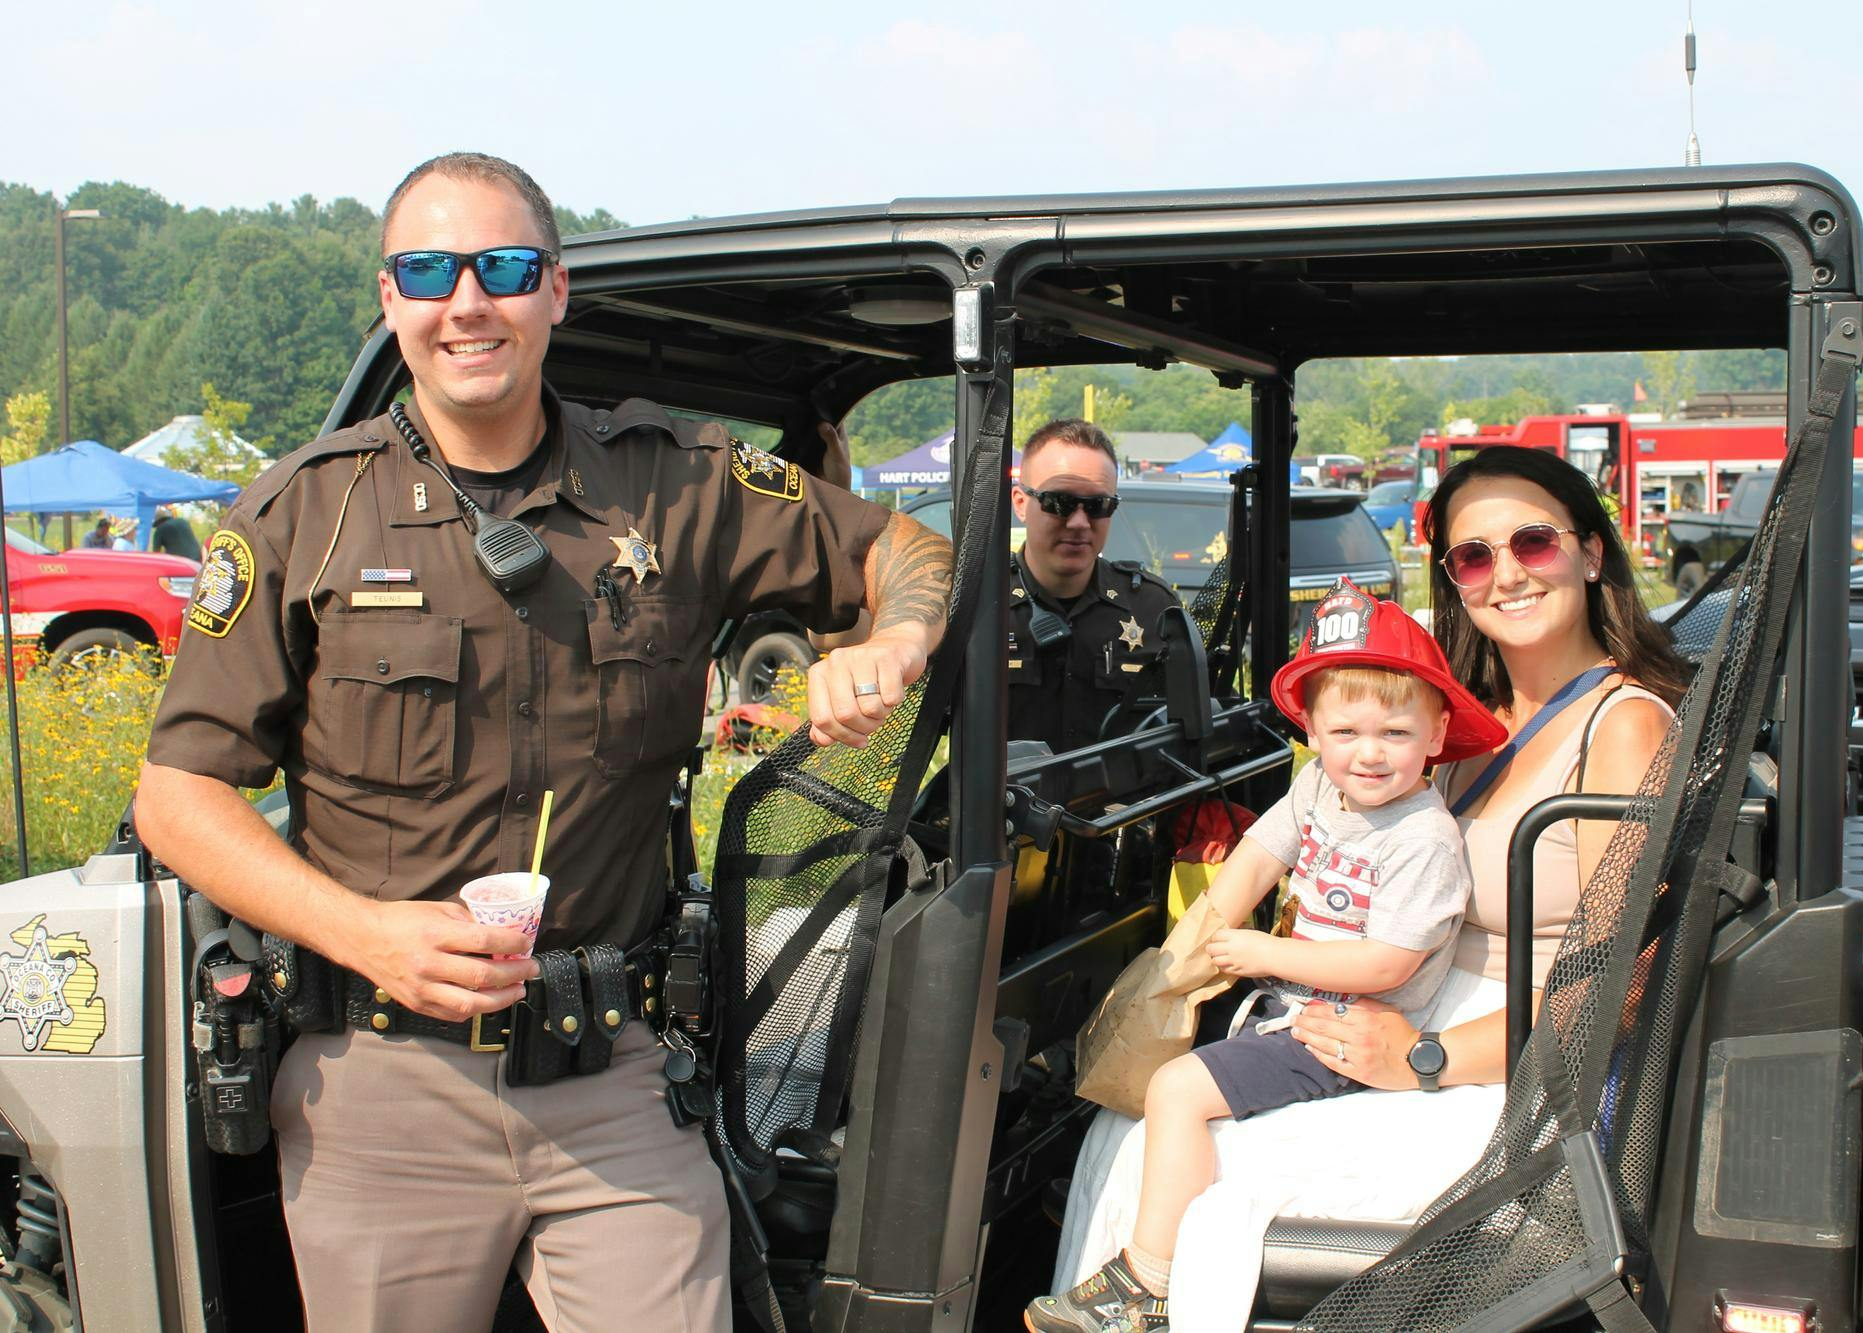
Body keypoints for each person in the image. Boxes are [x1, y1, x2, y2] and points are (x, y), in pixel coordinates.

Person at [131, 151, 951, 1333]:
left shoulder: (673, 485)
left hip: (611, 1073)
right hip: (381, 1079)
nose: (468, 300)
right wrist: (364, 933)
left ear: (555, 291)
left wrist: (895, 639)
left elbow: (904, 549)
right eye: (429, 269)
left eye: (504, 267)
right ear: (389, 297)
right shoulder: (301, 512)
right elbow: (176, 794)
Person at [1052, 443, 1685, 1331]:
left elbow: (1616, 986)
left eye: (1533, 543)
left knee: (1218, 1165)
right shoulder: (1448, 720)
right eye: (1473, 555)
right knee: (1132, 1123)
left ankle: (1149, 1296)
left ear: (1588, 552)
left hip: (1504, 1067)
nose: (1505, 573)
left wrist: (1421, 1059)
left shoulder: (1619, 729)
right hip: (1389, 1015)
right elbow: (1301, 830)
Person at [1028, 586, 1502, 1333]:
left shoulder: (1423, 840)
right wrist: (1204, 928)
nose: (1369, 753)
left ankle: (1145, 1285)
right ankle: (1102, 1197)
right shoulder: (1319, 784)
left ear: (1438, 733)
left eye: (1395, 732)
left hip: (1342, 1031)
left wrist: (1257, 948)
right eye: (1345, 730)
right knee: (1137, 1053)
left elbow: (1389, 964)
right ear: (1311, 728)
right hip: (1286, 1000)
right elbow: (1260, 853)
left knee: (1180, 1090)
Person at [1008, 419, 1181, 751]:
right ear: (1020, 503)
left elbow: (1186, 734)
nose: (1078, 523)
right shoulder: (981, 606)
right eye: (1058, 502)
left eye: (1097, 506)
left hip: (1126, 804)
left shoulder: (1152, 608)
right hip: (1003, 802)